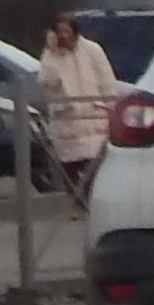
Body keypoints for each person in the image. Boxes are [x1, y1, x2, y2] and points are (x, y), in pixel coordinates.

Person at [34, 13, 121, 201]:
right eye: (59, 32)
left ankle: (92, 201)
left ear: (75, 31)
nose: (64, 35)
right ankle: (76, 203)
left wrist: (111, 110)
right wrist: (53, 54)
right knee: (70, 169)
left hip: (93, 118)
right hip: (67, 123)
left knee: (94, 166)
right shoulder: (50, 56)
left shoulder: (92, 50)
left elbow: (107, 82)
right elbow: (46, 81)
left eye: (67, 31)